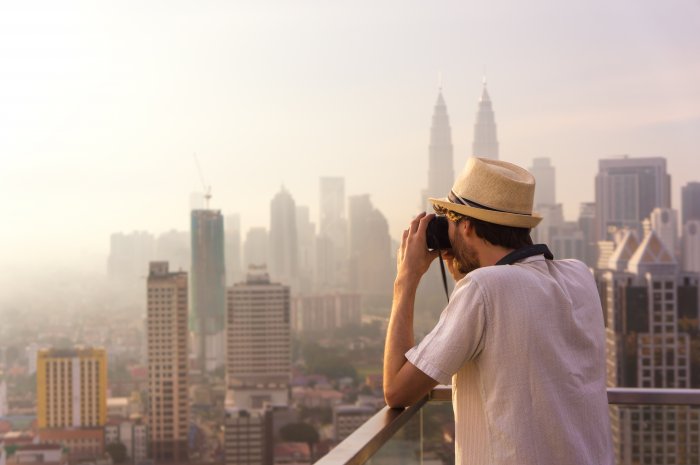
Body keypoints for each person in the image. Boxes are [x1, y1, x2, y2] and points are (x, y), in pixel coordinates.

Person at [383, 157, 613, 465]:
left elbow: (397, 391)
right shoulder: (579, 275)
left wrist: (405, 279)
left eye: (447, 223)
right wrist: (465, 273)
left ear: (465, 227)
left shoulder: (484, 290)